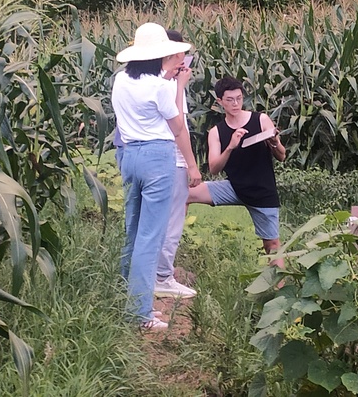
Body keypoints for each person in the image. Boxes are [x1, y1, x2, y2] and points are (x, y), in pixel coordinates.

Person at [112, 22, 201, 331]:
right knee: (150, 238)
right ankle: (139, 314)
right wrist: (192, 165)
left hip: (130, 156)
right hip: (158, 158)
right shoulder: (161, 87)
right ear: (160, 57)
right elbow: (178, 129)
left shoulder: (120, 80)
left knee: (133, 231)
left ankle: (128, 300)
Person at [187, 76, 286, 260]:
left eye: (239, 98)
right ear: (220, 102)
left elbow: (282, 156)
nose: (236, 103)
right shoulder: (217, 132)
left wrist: (273, 143)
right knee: (184, 194)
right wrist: (231, 146)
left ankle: (280, 287)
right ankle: (170, 250)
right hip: (233, 187)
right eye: (230, 100)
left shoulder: (261, 120)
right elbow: (214, 168)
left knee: (272, 246)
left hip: (262, 191)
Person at [154, 30, 197, 299]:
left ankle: (152, 273)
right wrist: (191, 165)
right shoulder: (168, 85)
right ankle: (163, 276)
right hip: (174, 159)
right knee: (172, 221)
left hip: (154, 158)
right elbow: (179, 127)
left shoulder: (142, 80)